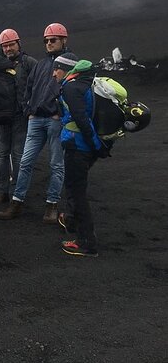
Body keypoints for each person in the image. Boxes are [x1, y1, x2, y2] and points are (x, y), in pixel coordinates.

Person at [0, 23, 71, 224]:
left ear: (64, 40)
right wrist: (29, 111)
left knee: (56, 164)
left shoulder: (71, 62)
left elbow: (74, 90)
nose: (49, 43)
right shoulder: (41, 64)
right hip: (36, 119)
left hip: (55, 121)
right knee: (25, 162)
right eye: (46, 40)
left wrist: (60, 113)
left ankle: (51, 205)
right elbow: (29, 88)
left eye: (53, 40)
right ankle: (16, 202)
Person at [54, 58, 109, 257]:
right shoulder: (85, 85)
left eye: (57, 69)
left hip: (78, 147)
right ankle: (72, 222)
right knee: (74, 187)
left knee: (77, 192)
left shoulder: (71, 88)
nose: (54, 74)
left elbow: (81, 118)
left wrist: (96, 145)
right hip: (84, 147)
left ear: (68, 70)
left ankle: (86, 242)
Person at [0, 29, 38, 205]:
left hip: (21, 115)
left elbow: (39, 86)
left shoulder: (29, 63)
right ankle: (2, 191)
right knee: (2, 154)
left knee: (18, 155)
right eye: (5, 46)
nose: (8, 48)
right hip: (2, 116)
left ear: (18, 43)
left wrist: (32, 109)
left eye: (11, 44)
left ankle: (16, 193)